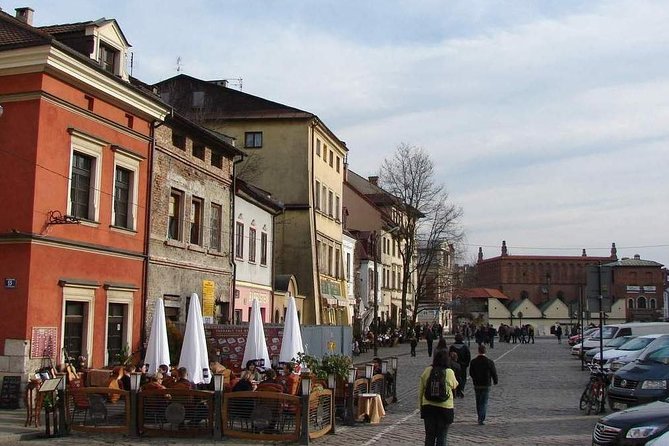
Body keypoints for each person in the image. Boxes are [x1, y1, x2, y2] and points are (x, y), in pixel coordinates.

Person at [418, 350, 458, 446]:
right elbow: (455, 385)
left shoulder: (427, 370)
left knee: (429, 436)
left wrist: (421, 406)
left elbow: (421, 390)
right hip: (445, 408)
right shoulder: (449, 372)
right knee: (442, 436)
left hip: (428, 406)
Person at [469, 344, 498, 425]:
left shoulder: (473, 362)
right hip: (486, 384)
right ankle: (481, 418)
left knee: (478, 401)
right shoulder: (489, 362)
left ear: (478, 351)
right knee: (484, 402)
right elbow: (493, 372)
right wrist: (495, 381)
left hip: (477, 384)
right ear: (485, 351)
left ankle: (479, 416)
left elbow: (471, 373)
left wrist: (475, 378)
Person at [449, 334, 471, 398]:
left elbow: (449, 356)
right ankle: (461, 389)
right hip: (463, 365)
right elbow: (468, 357)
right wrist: (466, 364)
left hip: (453, 365)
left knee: (455, 377)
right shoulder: (465, 347)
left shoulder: (452, 347)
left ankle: (456, 390)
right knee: (463, 378)